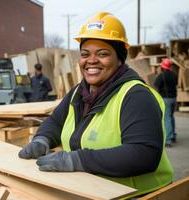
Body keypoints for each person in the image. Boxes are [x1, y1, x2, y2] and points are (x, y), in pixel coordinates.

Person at [19, 12, 173, 198]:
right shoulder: (79, 91)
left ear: (119, 58)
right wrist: (42, 139)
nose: (91, 60)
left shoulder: (135, 95)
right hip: (93, 192)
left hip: (141, 195)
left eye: (103, 54)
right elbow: (56, 121)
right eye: (85, 54)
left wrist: (77, 160)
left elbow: (144, 154)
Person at [154, 59, 178, 147]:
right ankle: (173, 136)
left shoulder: (161, 76)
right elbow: (176, 84)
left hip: (165, 99)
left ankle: (167, 140)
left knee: (166, 118)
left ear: (162, 67)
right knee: (171, 116)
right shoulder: (174, 75)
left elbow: (156, 86)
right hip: (174, 98)